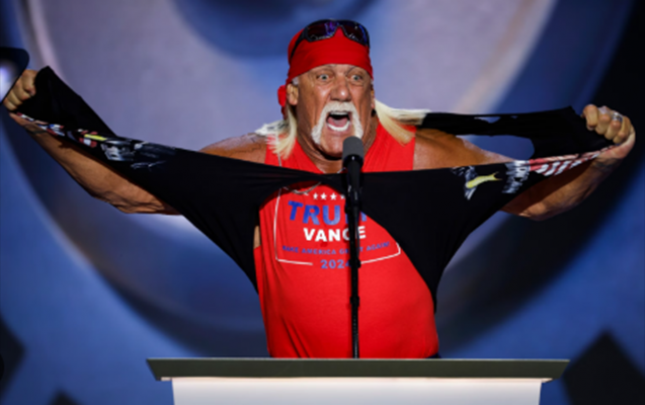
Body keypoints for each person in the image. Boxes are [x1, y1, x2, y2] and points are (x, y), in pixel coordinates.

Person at [2, 20, 636, 358]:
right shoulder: (249, 168)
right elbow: (124, 188)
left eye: (355, 79)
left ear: (371, 93)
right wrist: (38, 123)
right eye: (324, 77)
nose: (341, 90)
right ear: (292, 95)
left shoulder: (426, 159)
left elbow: (544, 198)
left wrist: (606, 161)